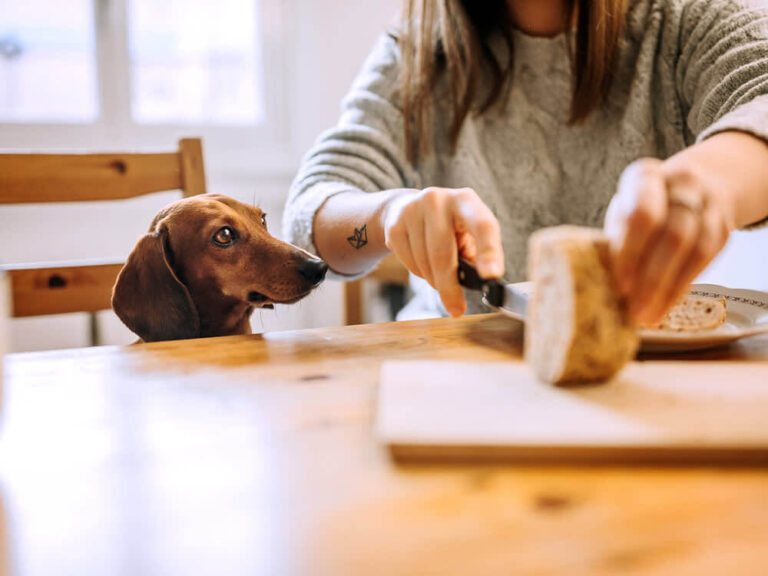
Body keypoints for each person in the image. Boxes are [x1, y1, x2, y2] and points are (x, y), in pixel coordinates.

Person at [283, 0, 768, 324]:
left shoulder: (688, 20)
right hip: (456, 368)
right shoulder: (414, 53)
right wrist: (388, 215)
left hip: (646, 370)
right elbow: (311, 215)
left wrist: (711, 183)